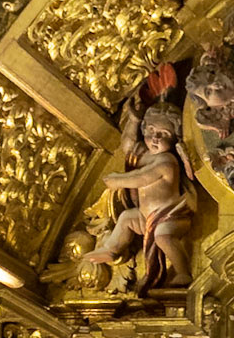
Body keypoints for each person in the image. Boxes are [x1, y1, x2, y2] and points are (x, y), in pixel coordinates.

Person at [80, 100, 194, 287]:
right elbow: (127, 145)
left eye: (163, 134)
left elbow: (142, 177)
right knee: (126, 218)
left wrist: (118, 181)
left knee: (163, 236)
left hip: (171, 216)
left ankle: (183, 272)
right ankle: (111, 249)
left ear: (175, 138)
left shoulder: (167, 161)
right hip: (147, 216)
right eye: (150, 131)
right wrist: (133, 120)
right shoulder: (145, 154)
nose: (155, 138)